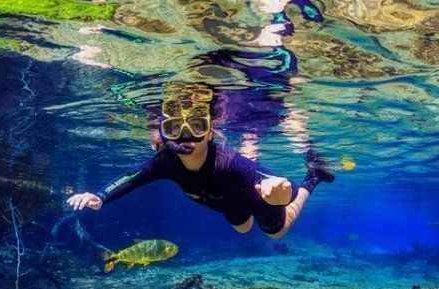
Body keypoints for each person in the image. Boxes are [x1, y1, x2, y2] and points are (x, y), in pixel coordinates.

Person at [66, 85, 333, 238]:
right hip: (228, 204)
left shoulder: (228, 162)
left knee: (276, 232)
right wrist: (100, 197)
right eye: (174, 129)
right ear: (164, 134)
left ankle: (313, 177)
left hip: (254, 198)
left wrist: (281, 194)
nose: (185, 137)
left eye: (196, 127)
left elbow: (275, 183)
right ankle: (252, 142)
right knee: (242, 229)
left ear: (209, 132)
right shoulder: (166, 162)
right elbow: (133, 177)